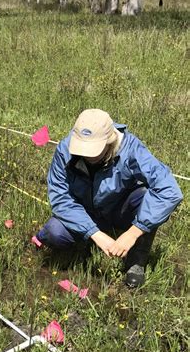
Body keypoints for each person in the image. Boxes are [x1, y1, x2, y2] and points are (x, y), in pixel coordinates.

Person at [33, 109, 183, 287]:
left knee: (146, 198)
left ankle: (136, 260)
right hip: (85, 211)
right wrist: (95, 234)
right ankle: (84, 244)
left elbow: (169, 190)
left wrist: (133, 232)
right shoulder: (65, 150)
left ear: (109, 141)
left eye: (93, 150)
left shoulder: (130, 148)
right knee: (53, 232)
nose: (86, 156)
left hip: (120, 207)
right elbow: (60, 198)